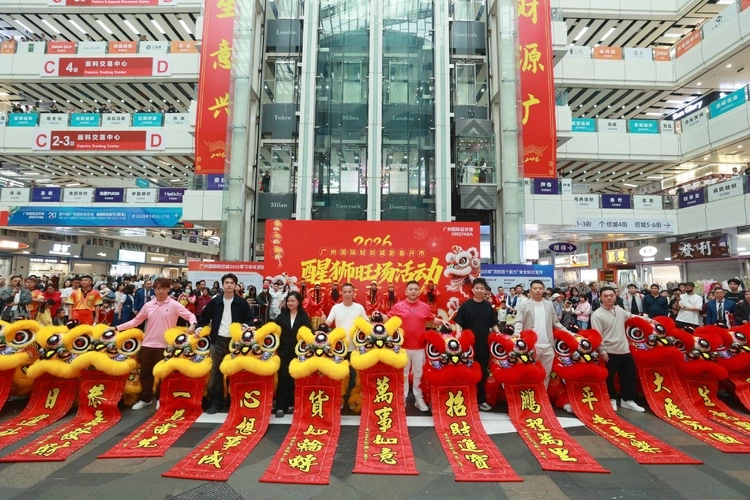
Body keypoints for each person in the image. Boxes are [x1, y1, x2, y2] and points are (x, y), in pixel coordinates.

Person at [110, 277, 197, 410]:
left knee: (163, 374)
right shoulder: (148, 305)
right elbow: (136, 321)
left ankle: (161, 398)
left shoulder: (174, 304)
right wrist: (117, 327)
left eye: (164, 288)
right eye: (158, 288)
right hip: (148, 344)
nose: (161, 291)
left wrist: (193, 324)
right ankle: (146, 398)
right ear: (154, 290)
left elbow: (190, 315)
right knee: (146, 373)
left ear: (168, 289)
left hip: (165, 346)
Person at [196, 273, 254, 414]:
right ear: (223, 284)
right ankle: (215, 403)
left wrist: (245, 325)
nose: (229, 285)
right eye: (227, 282)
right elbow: (204, 317)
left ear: (235, 285)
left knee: (235, 371)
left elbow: (250, 318)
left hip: (235, 342)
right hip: (218, 340)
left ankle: (234, 401)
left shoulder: (241, 302)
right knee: (216, 371)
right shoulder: (215, 302)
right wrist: (199, 327)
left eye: (231, 283)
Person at [389, 280, 449, 412]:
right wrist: (376, 318)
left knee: (419, 374)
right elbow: (388, 319)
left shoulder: (424, 307)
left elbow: (432, 319)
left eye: (416, 289)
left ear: (419, 291)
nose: (413, 291)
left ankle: (418, 398)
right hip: (402, 348)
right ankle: (402, 398)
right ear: (406, 291)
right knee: (403, 374)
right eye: (410, 289)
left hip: (419, 347)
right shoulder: (398, 306)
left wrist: (442, 321)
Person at [591, 286, 647, 413]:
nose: (609, 298)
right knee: (609, 378)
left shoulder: (620, 310)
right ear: (600, 297)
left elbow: (631, 316)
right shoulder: (597, 315)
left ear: (616, 296)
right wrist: (602, 351)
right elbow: (597, 334)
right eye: (605, 296)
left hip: (624, 350)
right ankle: (611, 399)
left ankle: (627, 400)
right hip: (609, 351)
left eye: (611, 295)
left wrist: (648, 319)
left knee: (629, 376)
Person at [455, 278, 501, 411]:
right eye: (477, 288)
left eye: (482, 288)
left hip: (483, 346)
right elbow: (458, 321)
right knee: (467, 372)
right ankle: (466, 399)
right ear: (473, 290)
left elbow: (493, 323)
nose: (479, 290)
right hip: (468, 347)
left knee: (482, 373)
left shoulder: (487, 306)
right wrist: (458, 333)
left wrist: (498, 334)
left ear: (485, 290)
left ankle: (481, 400)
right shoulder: (466, 305)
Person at [513, 280, 569, 390]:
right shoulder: (524, 304)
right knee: (530, 374)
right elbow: (519, 321)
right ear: (530, 290)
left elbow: (556, 323)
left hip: (548, 345)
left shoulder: (549, 304)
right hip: (532, 346)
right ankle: (532, 396)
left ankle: (543, 397)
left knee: (546, 374)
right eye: (535, 288)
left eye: (540, 288)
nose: (538, 290)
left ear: (544, 290)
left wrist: (570, 333)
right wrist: (516, 334)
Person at [273, 292, 311, 418]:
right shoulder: (281, 315)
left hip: (297, 352)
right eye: (288, 301)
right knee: (283, 376)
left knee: (295, 377)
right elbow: (273, 328)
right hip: (283, 351)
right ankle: (280, 406)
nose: (290, 303)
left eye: (293, 301)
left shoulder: (303, 316)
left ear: (298, 302)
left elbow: (308, 331)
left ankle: (292, 403)